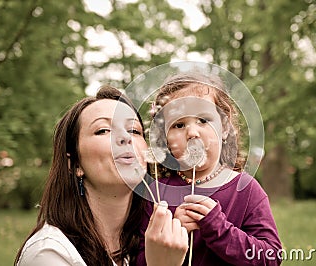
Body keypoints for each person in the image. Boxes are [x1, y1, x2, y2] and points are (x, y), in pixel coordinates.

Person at [14, 85, 188, 266]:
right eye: (103, 130)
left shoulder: (149, 242)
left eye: (134, 130)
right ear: (75, 164)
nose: (125, 137)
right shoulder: (49, 254)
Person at [138, 73, 282, 265]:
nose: (192, 133)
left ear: (224, 127)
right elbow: (138, 259)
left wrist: (218, 228)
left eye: (203, 120)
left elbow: (271, 257)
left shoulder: (246, 190)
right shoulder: (157, 194)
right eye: (179, 124)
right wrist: (172, 232)